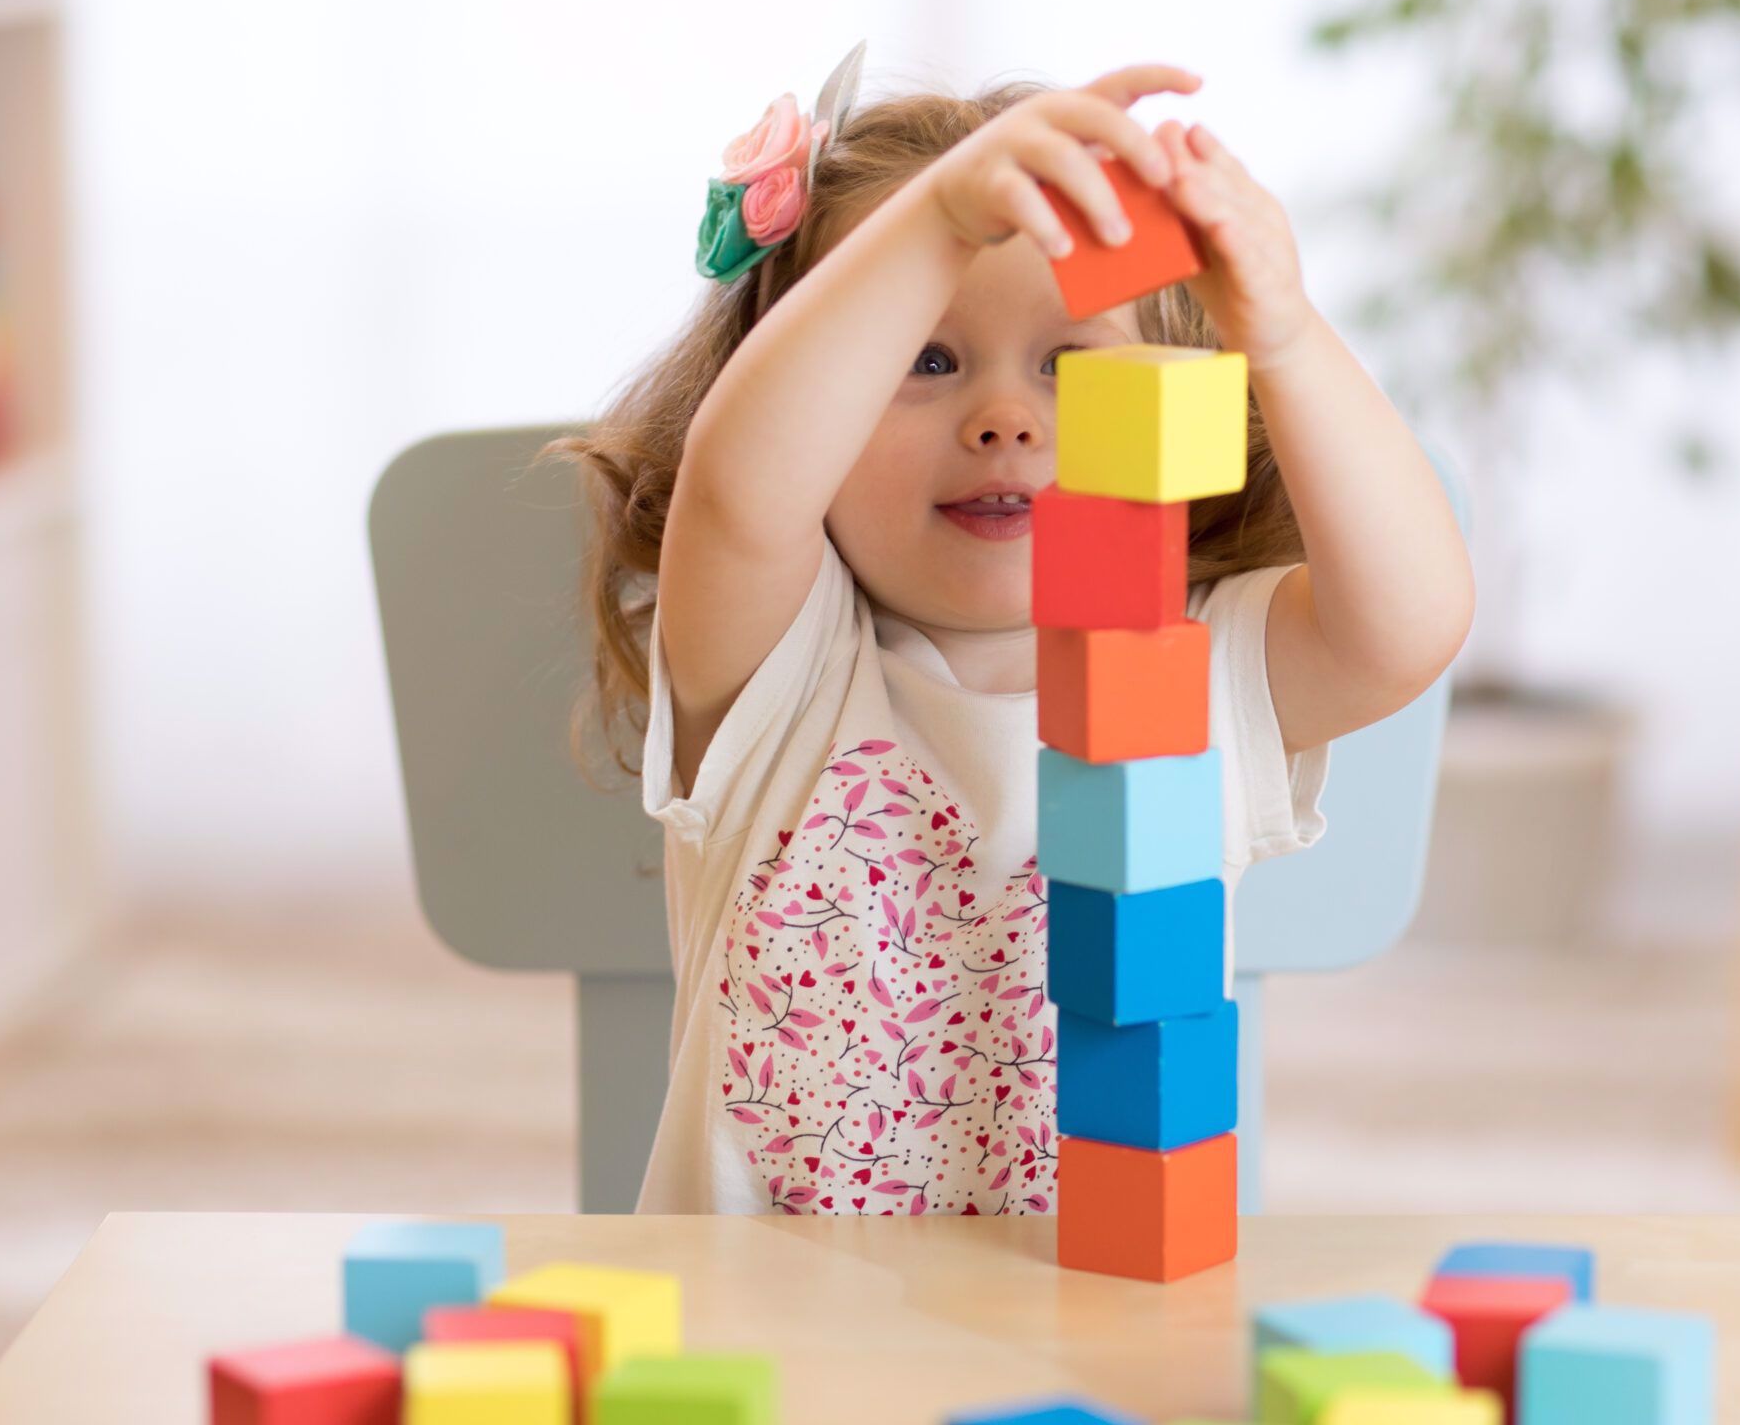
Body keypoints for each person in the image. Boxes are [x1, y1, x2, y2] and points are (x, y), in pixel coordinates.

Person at [563, 61, 1472, 1214]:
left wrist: (1281, 335)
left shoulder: (1198, 670)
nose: (1004, 418)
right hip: (772, 1347)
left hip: (1098, 1331)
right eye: (925, 360)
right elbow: (742, 492)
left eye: (1070, 363)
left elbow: (1411, 623)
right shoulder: (776, 669)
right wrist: (937, 218)